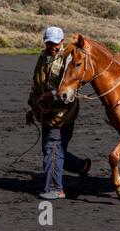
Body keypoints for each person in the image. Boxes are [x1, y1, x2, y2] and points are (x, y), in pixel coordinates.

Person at [26, 26, 91, 200]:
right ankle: (82, 166)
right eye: (49, 43)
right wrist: (32, 108)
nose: (52, 47)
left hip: (63, 115)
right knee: (56, 150)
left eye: (55, 44)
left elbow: (70, 91)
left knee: (52, 149)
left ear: (62, 42)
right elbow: (36, 84)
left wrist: (52, 96)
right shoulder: (42, 57)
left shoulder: (68, 60)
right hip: (44, 114)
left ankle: (55, 188)